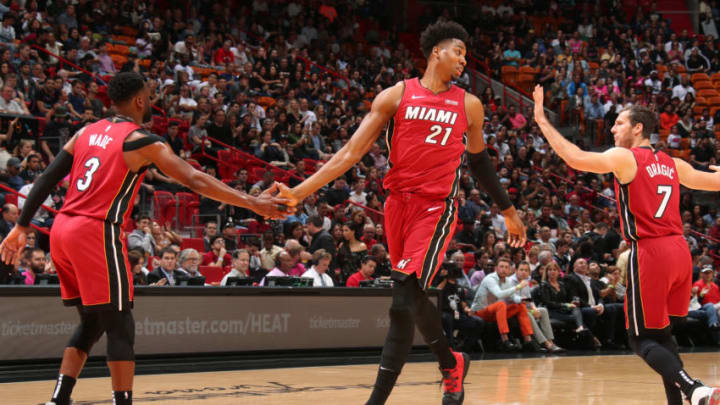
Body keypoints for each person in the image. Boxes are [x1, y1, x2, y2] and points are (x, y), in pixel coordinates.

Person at [0, 72, 291, 405]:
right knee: (122, 323)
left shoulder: (85, 132)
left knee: (93, 320)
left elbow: (49, 177)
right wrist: (253, 202)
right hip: (95, 230)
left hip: (62, 230)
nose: (151, 102)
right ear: (139, 100)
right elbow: (194, 177)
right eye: (150, 96)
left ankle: (59, 398)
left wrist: (22, 226)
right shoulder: (140, 139)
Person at [280, 21, 526, 405]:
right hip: (397, 205)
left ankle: (376, 401)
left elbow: (479, 163)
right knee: (409, 298)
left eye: (465, 53)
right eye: (457, 51)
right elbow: (350, 153)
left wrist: (509, 211)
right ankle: (451, 362)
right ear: (435, 53)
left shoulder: (469, 104)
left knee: (399, 303)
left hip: (435, 207)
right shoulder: (396, 95)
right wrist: (299, 191)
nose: (464, 59)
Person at [533, 85, 720, 405]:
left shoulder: (626, 156)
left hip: (651, 252)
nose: (612, 128)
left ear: (638, 128)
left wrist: (541, 118)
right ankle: (686, 397)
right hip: (680, 251)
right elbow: (715, 183)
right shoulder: (674, 164)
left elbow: (574, 158)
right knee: (662, 337)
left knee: (640, 339)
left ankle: (695, 389)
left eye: (619, 123)